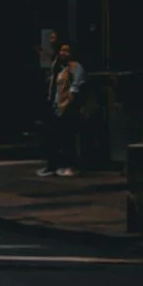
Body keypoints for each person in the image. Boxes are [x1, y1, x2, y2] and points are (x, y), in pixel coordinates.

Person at [43, 31, 86, 178]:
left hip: (69, 107)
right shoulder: (60, 68)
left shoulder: (76, 67)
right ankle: (57, 164)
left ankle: (70, 165)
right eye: (62, 50)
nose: (64, 53)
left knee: (68, 138)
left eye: (67, 50)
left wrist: (66, 103)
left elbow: (75, 88)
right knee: (57, 137)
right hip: (58, 106)